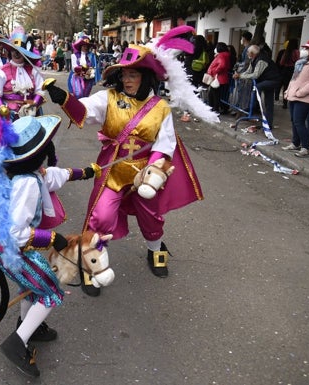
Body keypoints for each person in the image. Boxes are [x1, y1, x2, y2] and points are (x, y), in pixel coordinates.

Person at [45, 26, 216, 296]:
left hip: (144, 174)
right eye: (124, 74)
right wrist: (65, 99)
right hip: (112, 170)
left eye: (133, 74)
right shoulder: (109, 98)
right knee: (100, 216)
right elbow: (87, 110)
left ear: (146, 77)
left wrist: (153, 170)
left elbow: (165, 143)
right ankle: (93, 264)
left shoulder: (160, 108)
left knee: (151, 217)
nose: (127, 80)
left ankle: (155, 248)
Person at [0, 115, 96, 377]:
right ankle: (17, 342)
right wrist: (52, 238)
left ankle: (29, 325)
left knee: (30, 287)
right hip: (14, 251)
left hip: (6, 249)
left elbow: (56, 176)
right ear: (41, 153)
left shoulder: (26, 174)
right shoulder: (28, 185)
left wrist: (86, 172)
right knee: (51, 292)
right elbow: (15, 232)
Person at [0, 25, 45, 122]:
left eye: (19, 51)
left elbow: (40, 91)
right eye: (14, 50)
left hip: (31, 116)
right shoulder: (2, 71)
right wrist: (2, 108)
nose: (16, 53)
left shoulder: (33, 70)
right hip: (9, 118)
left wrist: (33, 105)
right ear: (10, 52)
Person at [282, 38, 309, 158]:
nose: (304, 50)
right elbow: (294, 79)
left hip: (304, 98)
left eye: (307, 49)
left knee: (299, 121)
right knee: (294, 121)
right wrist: (288, 91)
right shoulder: (302, 62)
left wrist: (300, 93)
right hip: (294, 95)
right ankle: (295, 143)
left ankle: (306, 147)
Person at [233, 45, 281, 131]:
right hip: (267, 79)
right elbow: (249, 71)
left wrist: (240, 76)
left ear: (252, 53)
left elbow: (255, 74)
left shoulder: (261, 60)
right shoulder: (254, 59)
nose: (247, 53)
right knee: (268, 103)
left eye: (248, 52)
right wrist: (240, 75)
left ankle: (254, 108)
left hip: (272, 80)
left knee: (259, 90)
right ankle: (268, 123)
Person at [68, 34, 101, 98]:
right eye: (84, 46)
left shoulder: (90, 56)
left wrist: (91, 73)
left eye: (87, 46)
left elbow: (93, 67)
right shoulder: (74, 55)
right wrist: (85, 71)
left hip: (88, 80)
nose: (86, 48)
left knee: (85, 98)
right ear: (80, 46)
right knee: (78, 95)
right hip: (77, 79)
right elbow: (74, 68)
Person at [206, 42, 231, 114]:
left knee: (214, 94)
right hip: (222, 78)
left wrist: (215, 71)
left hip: (218, 78)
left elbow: (222, 65)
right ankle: (215, 108)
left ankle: (214, 109)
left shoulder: (221, 56)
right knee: (216, 94)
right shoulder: (225, 55)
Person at [276, 39, 300, 109]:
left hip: (285, 70)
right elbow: (298, 61)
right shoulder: (296, 52)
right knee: (290, 86)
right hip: (292, 70)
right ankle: (288, 102)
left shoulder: (286, 52)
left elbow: (281, 62)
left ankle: (281, 101)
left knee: (283, 85)